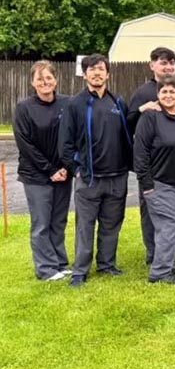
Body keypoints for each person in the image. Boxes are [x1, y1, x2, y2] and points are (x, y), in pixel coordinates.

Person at [59, 54, 132, 287]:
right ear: (85, 74)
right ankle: (80, 270)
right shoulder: (75, 104)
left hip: (117, 176)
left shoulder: (118, 102)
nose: (97, 73)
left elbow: (129, 136)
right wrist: (76, 169)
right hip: (89, 178)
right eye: (91, 69)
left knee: (112, 224)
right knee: (85, 226)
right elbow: (65, 144)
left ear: (107, 74)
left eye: (101, 69)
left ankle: (107, 265)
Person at [128, 47, 175, 266]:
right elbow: (127, 124)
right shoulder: (142, 93)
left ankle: (172, 248)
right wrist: (140, 111)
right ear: (152, 65)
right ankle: (153, 252)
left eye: (171, 62)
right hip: (155, 170)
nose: (168, 66)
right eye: (163, 62)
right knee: (151, 213)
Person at [13, 61, 72, 281]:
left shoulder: (67, 103)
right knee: (41, 224)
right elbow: (25, 144)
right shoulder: (24, 108)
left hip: (63, 173)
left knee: (58, 221)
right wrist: (50, 170)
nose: (45, 82)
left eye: (48, 78)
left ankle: (60, 263)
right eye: (40, 79)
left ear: (55, 80)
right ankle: (46, 269)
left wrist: (66, 167)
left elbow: (74, 136)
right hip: (36, 175)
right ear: (32, 82)